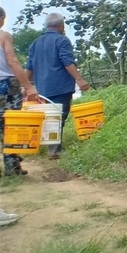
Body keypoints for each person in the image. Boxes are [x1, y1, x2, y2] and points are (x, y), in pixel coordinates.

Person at [26, 13, 89, 159]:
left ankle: (52, 146)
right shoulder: (62, 40)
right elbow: (67, 61)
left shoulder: (36, 42)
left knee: (50, 116)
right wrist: (79, 80)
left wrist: (25, 86)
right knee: (58, 116)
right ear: (61, 26)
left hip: (42, 87)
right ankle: (54, 150)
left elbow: (29, 66)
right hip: (60, 85)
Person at [0, 6, 39, 216]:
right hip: (5, 86)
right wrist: (28, 86)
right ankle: (12, 167)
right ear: (2, 19)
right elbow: (12, 61)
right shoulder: (3, 36)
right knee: (10, 127)